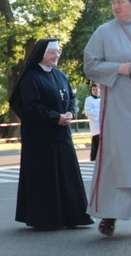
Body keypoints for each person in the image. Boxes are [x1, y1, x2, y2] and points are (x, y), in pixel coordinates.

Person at [10, 39, 93, 230]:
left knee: (67, 174)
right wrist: (56, 117)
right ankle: (47, 218)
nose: (56, 55)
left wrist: (70, 113)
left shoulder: (60, 75)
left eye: (58, 51)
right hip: (40, 137)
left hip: (62, 135)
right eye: (52, 52)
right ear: (41, 54)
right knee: (45, 176)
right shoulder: (31, 77)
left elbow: (71, 98)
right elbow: (31, 106)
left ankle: (73, 215)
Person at [83, 0, 131, 237]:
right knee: (116, 158)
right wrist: (120, 68)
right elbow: (91, 65)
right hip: (118, 105)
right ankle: (109, 214)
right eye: (113, 2)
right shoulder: (103, 32)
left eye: (121, 1)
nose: (117, 6)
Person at [83, 83, 101, 162]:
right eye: (93, 90)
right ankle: (94, 159)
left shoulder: (102, 99)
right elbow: (88, 112)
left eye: (96, 90)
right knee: (96, 143)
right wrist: (99, 112)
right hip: (95, 125)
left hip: (103, 125)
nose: (95, 91)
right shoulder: (88, 99)